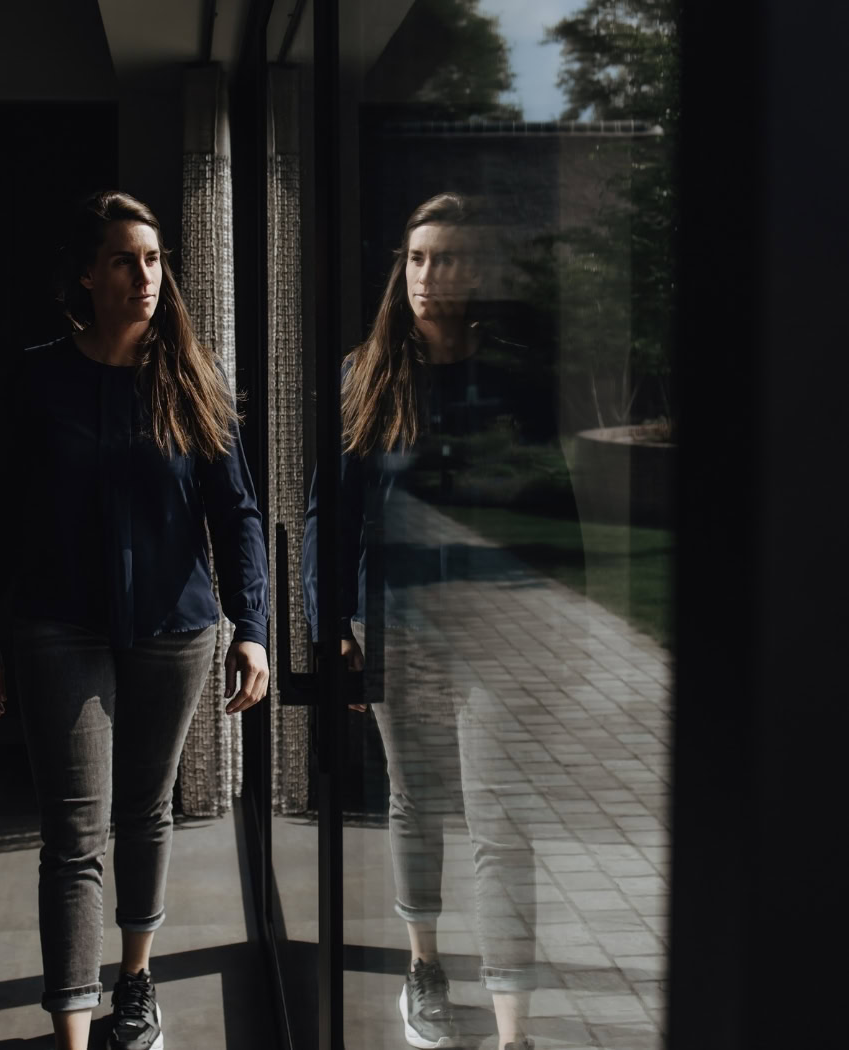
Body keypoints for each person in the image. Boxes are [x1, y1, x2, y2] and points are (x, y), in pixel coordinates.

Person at [0, 190, 269, 1050]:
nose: (145, 276)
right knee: (72, 832)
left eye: (155, 258)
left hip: (175, 626)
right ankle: (72, 1028)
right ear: (89, 276)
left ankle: (134, 983)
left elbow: (237, 511)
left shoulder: (191, 377)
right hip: (57, 626)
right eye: (126, 260)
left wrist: (253, 626)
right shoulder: (37, 376)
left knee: (143, 810)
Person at [304, 192, 536, 1050]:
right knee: (417, 801)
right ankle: (424, 966)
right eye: (416, 259)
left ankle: (514, 1028)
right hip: (398, 632)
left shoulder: (512, 379)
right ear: (401, 271)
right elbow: (331, 514)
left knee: (503, 820)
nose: (429, 277)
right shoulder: (362, 377)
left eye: (447, 260)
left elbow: (555, 508)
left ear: (476, 272)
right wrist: (332, 626)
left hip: (498, 636)